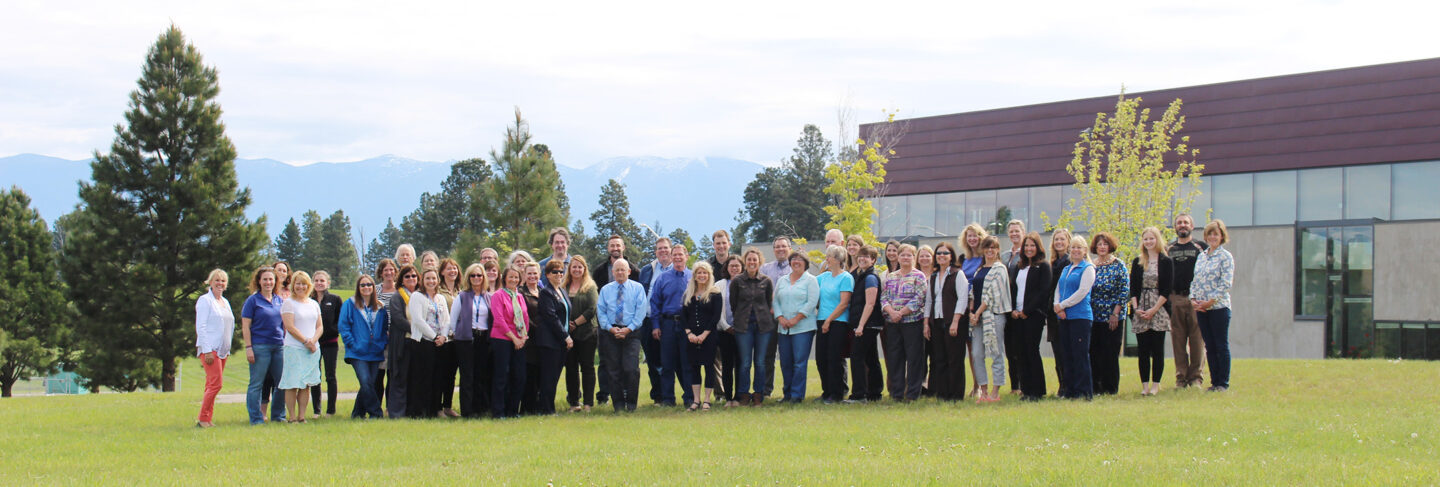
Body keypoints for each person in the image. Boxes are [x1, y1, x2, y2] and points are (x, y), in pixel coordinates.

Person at [597, 259, 646, 412]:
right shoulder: (605, 290)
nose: (620, 272)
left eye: (623, 270)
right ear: (613, 272)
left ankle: (631, 405)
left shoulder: (637, 288)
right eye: (617, 270)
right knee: (613, 370)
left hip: (632, 332)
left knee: (631, 369)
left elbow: (641, 311)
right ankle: (618, 405)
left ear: (629, 271)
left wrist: (628, 329)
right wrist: (610, 328)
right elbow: (601, 311)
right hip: (610, 332)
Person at [1192, 220, 1235, 392]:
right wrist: (1193, 299)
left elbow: (1225, 283)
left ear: (1222, 236)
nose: (1212, 237)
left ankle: (1223, 383)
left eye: (1216, 234)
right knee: (1209, 345)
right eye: (1210, 234)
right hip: (1202, 309)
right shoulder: (1201, 256)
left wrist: (1210, 301)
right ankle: (1214, 381)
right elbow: (1195, 281)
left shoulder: (1226, 257)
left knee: (1220, 345)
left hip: (1219, 308)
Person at [881, 244, 929, 401]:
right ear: (898, 257)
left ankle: (912, 394)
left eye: (909, 255)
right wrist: (892, 312)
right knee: (895, 358)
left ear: (914, 258)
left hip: (912, 322)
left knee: (914, 358)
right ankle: (897, 393)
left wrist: (901, 312)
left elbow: (919, 298)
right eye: (903, 255)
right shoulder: (891, 276)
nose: (905, 258)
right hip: (893, 323)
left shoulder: (919, 276)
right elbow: (884, 297)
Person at [1129, 227, 1173, 396]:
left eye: (1151, 238)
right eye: (1145, 239)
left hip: (1159, 307)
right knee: (1143, 350)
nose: (1148, 242)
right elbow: (1133, 287)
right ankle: (1145, 386)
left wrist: (1154, 310)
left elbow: (1167, 289)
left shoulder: (1166, 261)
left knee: (1157, 349)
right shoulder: (1138, 261)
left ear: (1157, 240)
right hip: (1141, 306)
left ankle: (1156, 385)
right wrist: (1136, 308)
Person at [969, 237, 1013, 403]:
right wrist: (972, 312)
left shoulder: (999, 269)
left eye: (993, 248)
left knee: (996, 352)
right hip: (977, 318)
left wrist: (978, 312)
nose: (990, 251)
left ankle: (996, 391)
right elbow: (974, 292)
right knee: (977, 354)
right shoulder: (979, 270)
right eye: (987, 248)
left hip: (993, 315)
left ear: (997, 250)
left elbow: (992, 295)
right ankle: (984, 390)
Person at [730, 249, 776, 406]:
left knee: (761, 362)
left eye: (754, 260)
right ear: (745, 261)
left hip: (763, 327)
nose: (751, 262)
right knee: (745, 363)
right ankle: (743, 394)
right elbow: (734, 304)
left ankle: (758, 394)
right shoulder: (737, 281)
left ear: (759, 262)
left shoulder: (766, 281)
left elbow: (769, 303)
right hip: (743, 327)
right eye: (749, 259)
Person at [1009, 233, 1052, 401]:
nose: (1028, 249)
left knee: (1032, 350)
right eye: (1026, 246)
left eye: (1032, 245)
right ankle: (1025, 390)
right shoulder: (1019, 267)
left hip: (1033, 315)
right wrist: (1013, 309)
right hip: (1017, 316)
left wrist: (1027, 310)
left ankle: (1037, 391)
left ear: (1038, 247)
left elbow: (1043, 292)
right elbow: (1013, 290)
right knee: (1020, 352)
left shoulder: (1043, 266)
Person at [338, 274, 388, 419]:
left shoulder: (380, 307)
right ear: (358, 288)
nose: (366, 287)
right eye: (363, 285)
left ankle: (357, 413)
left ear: (374, 287)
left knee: (369, 384)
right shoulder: (350, 304)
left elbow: (385, 329)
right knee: (365, 381)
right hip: (357, 352)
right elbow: (344, 326)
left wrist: (381, 344)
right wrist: (352, 344)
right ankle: (376, 413)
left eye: (369, 285)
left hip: (375, 351)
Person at [650, 244, 695, 407]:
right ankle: (668, 399)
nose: (677, 257)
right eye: (674, 255)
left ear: (686, 256)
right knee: (667, 363)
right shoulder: (662, 278)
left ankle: (689, 398)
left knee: (687, 363)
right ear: (670, 257)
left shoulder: (693, 277)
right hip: (667, 324)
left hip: (687, 325)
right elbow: (655, 303)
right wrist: (655, 325)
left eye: (680, 255)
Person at [772, 252, 820, 404]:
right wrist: (780, 317)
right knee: (785, 361)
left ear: (806, 263)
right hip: (783, 327)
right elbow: (775, 301)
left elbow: (811, 302)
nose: (796, 262)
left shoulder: (811, 280)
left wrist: (795, 319)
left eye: (799, 259)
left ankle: (797, 395)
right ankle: (787, 394)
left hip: (803, 327)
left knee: (799, 362)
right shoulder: (782, 280)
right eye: (793, 259)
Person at [241, 266, 286, 425]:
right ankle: (256, 418)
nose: (268, 282)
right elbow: (246, 326)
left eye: (271, 279)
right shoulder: (252, 301)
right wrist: (248, 347)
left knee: (281, 383)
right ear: (259, 281)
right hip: (260, 346)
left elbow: (284, 325)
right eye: (265, 279)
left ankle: (278, 416)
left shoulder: (279, 300)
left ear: (276, 281)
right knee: (256, 384)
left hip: (279, 346)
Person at [1168, 214, 1209, 388]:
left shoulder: (1201, 247)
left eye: (1186, 222)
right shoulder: (1168, 249)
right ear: (1175, 227)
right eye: (1179, 223)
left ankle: (1196, 378)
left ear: (1192, 226)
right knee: (1178, 341)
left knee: (1197, 340)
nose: (1182, 225)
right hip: (1175, 298)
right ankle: (1181, 378)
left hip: (1196, 299)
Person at [1054, 235, 1097, 400]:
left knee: (1080, 354)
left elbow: (1082, 292)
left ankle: (1084, 391)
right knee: (1067, 354)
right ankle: (1070, 390)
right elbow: (1058, 289)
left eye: (1079, 247)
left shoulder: (1088, 268)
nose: (1076, 250)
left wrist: (1063, 305)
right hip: (1064, 317)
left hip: (1080, 317)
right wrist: (1057, 306)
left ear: (1085, 250)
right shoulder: (1066, 268)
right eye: (1073, 247)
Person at [528, 260, 573, 415]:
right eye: (555, 272)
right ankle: (547, 409)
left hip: (560, 342)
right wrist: (565, 336)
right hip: (550, 342)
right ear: (547, 275)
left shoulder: (561, 290)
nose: (559, 275)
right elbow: (551, 317)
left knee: (554, 377)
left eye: (561, 272)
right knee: (548, 377)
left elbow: (564, 315)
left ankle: (548, 407)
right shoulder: (546, 292)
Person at [925, 241, 968, 401]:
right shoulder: (934, 276)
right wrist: (926, 323)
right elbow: (929, 300)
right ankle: (942, 394)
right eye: (939, 253)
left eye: (945, 253)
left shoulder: (957, 274)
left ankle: (956, 395)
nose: (941, 256)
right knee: (939, 359)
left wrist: (956, 321)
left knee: (955, 359)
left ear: (951, 256)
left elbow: (963, 299)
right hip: (936, 322)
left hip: (953, 322)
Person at [448, 263, 492, 417]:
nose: (476, 278)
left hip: (483, 339)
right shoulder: (462, 296)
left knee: (481, 375)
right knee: (467, 376)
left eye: (479, 275)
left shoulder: (488, 297)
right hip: (466, 340)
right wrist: (455, 335)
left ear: (483, 277)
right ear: (468, 278)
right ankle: (468, 410)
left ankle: (481, 408)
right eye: (473, 275)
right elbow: (453, 320)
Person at [1089, 232, 1130, 396]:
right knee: (1094, 352)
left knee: (1110, 353)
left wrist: (1115, 313)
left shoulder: (1119, 265)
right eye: (1099, 244)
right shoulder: (1091, 265)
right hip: (1093, 316)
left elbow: (1124, 291)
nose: (1102, 247)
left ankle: (1110, 388)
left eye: (1105, 244)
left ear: (1110, 246)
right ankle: (1096, 387)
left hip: (1113, 316)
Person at [279, 271, 323, 423]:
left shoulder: (314, 304)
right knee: (292, 383)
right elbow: (289, 326)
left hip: (312, 350)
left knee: (306, 384)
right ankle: (291, 417)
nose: (301, 286)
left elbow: (319, 326)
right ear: (293, 285)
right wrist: (306, 341)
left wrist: (313, 341)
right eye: (298, 283)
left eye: (304, 283)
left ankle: (302, 415)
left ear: (308, 286)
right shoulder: (289, 303)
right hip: (294, 348)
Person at [407, 268, 450, 418]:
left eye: (434, 278)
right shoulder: (417, 297)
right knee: (422, 377)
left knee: (437, 377)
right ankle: (419, 411)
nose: (431, 281)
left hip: (440, 343)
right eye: (428, 279)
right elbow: (418, 320)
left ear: (438, 280)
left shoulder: (441, 298)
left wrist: (443, 336)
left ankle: (434, 409)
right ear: (422, 281)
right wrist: (434, 336)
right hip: (423, 342)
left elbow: (447, 320)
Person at [682, 262, 723, 410]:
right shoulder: (688, 294)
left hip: (709, 336)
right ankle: (696, 400)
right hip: (691, 337)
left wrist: (704, 335)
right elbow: (684, 316)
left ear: (709, 275)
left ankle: (707, 400)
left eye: (704, 273)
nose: (702, 275)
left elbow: (715, 316)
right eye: (699, 273)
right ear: (694, 276)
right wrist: (689, 333)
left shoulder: (715, 294)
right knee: (694, 367)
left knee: (708, 367)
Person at [194, 269, 233, 428]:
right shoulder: (205, 301)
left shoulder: (225, 302)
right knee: (217, 384)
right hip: (211, 349)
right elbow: (201, 326)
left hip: (223, 349)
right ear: (210, 282)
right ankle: (202, 418)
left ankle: (208, 419)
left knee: (211, 384)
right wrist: (207, 349)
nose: (220, 283)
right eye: (217, 280)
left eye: (223, 281)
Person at [489, 266, 530, 418]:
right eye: (510, 277)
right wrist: (514, 338)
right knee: (502, 375)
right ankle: (499, 411)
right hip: (502, 339)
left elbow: (525, 319)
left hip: (520, 340)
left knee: (519, 376)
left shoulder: (519, 296)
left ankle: (513, 410)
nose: (513, 280)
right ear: (504, 278)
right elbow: (499, 320)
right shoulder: (498, 295)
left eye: (516, 277)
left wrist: (522, 338)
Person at [815, 245, 854, 404]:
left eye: (829, 257)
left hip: (838, 322)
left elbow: (844, 303)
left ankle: (837, 393)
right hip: (822, 320)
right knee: (821, 358)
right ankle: (827, 391)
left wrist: (829, 320)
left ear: (838, 260)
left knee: (834, 358)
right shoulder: (823, 278)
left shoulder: (846, 278)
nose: (826, 259)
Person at [637, 237, 672, 404]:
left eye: (665, 248)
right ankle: (657, 396)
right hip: (648, 320)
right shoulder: (647, 270)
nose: (663, 251)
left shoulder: (677, 270)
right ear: (655, 252)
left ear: (671, 250)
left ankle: (668, 395)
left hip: (669, 321)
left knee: (668, 361)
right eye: (659, 248)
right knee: (652, 360)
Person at [590, 235, 624, 406]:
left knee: (625, 361)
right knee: (604, 360)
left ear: (623, 247)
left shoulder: (633, 270)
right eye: (612, 245)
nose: (615, 248)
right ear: (608, 248)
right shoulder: (599, 271)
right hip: (605, 323)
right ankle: (603, 395)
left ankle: (624, 393)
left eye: (618, 245)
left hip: (627, 324)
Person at [757, 236, 793, 400]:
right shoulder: (765, 269)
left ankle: (790, 391)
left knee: (788, 356)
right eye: (777, 247)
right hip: (769, 318)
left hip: (789, 318)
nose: (780, 249)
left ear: (789, 249)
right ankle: (765, 390)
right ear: (773, 250)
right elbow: (759, 291)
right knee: (767, 355)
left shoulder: (795, 268)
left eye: (783, 246)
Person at [848, 245, 885, 402]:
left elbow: (870, 304)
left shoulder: (870, 277)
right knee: (871, 358)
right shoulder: (861, 275)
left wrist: (861, 325)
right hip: (867, 323)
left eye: (866, 256)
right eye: (860, 256)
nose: (862, 258)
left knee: (857, 357)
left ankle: (859, 394)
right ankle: (874, 393)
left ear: (873, 260)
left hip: (868, 324)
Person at [563, 256, 599, 412]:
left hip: (587, 334)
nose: (577, 270)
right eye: (574, 267)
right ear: (569, 269)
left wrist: (575, 323)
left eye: (580, 267)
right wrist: (566, 327)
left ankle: (588, 403)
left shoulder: (590, 287)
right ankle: (574, 402)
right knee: (571, 369)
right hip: (568, 335)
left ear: (585, 269)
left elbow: (592, 309)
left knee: (587, 368)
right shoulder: (563, 287)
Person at [706, 230, 738, 405]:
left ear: (729, 244)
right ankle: (720, 393)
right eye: (717, 243)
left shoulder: (736, 263)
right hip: (712, 319)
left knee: (735, 360)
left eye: (723, 242)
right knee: (714, 359)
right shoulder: (708, 266)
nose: (721, 246)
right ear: (714, 246)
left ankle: (737, 392)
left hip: (734, 322)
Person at [385, 265, 419, 418]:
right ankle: (397, 412)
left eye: (413, 276)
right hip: (402, 343)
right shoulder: (397, 297)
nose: (411, 279)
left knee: (414, 377)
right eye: (407, 276)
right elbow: (398, 319)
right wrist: (418, 329)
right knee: (399, 377)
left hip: (417, 343)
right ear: (401, 280)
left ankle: (412, 410)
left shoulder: (421, 295)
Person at [309, 271, 342, 417]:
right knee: (315, 376)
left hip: (330, 343)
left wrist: (334, 330)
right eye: (316, 280)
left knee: (330, 376)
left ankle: (331, 410)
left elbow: (341, 320)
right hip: (313, 344)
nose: (319, 283)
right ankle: (317, 410)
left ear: (328, 282)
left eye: (322, 280)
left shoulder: (335, 299)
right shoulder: (309, 300)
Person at [1046, 229, 1073, 397]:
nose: (1059, 242)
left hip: (1065, 310)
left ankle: (1068, 386)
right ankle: (1061, 385)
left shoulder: (1070, 262)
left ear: (1068, 241)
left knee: (1066, 350)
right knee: (1057, 350)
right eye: (1056, 239)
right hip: (1052, 312)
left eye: (1062, 239)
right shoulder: (1053, 262)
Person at [714, 254, 744, 407]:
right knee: (726, 365)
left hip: (743, 332)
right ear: (727, 268)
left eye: (737, 266)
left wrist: (739, 327)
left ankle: (738, 397)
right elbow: (717, 310)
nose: (734, 268)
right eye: (731, 266)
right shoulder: (719, 285)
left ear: (742, 267)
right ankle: (728, 398)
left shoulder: (746, 284)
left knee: (741, 364)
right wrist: (726, 326)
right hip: (724, 331)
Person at [435, 258, 463, 418]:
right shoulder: (439, 291)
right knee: (441, 373)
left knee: (452, 374)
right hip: (443, 338)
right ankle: (438, 407)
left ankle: (448, 406)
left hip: (458, 339)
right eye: (448, 269)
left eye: (455, 268)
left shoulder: (462, 290)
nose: (452, 271)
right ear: (442, 272)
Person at [373, 259, 399, 412]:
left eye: (391, 270)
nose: (389, 273)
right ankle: (376, 407)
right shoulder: (376, 290)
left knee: (392, 374)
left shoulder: (400, 290)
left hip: (395, 339)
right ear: (381, 273)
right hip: (379, 339)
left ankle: (390, 407)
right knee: (378, 374)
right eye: (385, 270)